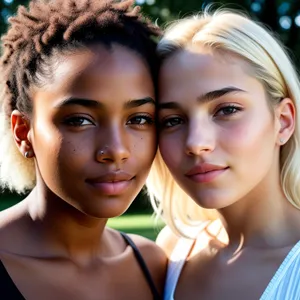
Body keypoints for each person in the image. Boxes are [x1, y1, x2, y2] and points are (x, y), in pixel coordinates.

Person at [0, 0, 167, 299]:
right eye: (79, 120)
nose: (116, 150)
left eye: (139, 119)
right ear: (23, 132)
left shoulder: (155, 266)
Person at [146, 8, 300, 300]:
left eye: (227, 110)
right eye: (172, 120)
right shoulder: (171, 253)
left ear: (283, 121)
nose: (196, 143)